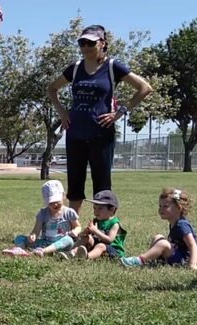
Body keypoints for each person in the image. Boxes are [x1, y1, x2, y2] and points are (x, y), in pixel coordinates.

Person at [48, 24, 153, 214]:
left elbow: (145, 88)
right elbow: (52, 88)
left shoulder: (113, 67)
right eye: (82, 42)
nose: (85, 46)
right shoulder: (75, 68)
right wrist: (62, 113)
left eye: (91, 42)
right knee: (75, 185)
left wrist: (119, 112)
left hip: (101, 135)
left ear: (102, 43)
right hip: (75, 133)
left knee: (102, 186)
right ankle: (73, 228)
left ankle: (103, 229)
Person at [120, 188, 197, 270]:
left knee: (163, 244)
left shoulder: (182, 225)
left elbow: (192, 245)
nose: (161, 209)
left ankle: (140, 261)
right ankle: (152, 259)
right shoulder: (174, 222)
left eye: (165, 206)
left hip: (183, 261)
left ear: (178, 208)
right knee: (158, 237)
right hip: (176, 255)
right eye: (160, 206)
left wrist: (192, 264)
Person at [2, 179, 81, 257]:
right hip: (45, 242)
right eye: (51, 202)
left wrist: (75, 231)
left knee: (69, 240)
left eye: (57, 201)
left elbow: (78, 226)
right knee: (19, 238)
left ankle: (43, 251)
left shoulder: (69, 212)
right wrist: (32, 236)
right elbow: (36, 231)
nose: (55, 205)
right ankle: (18, 249)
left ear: (63, 196)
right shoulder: (43, 213)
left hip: (61, 243)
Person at [64, 190, 127, 260]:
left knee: (101, 246)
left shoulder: (114, 224)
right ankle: (71, 252)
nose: (96, 211)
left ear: (112, 209)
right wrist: (84, 233)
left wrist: (95, 231)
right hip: (97, 247)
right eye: (94, 208)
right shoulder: (96, 221)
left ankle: (86, 257)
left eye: (100, 208)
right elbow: (81, 236)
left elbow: (109, 240)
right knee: (87, 238)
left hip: (113, 251)